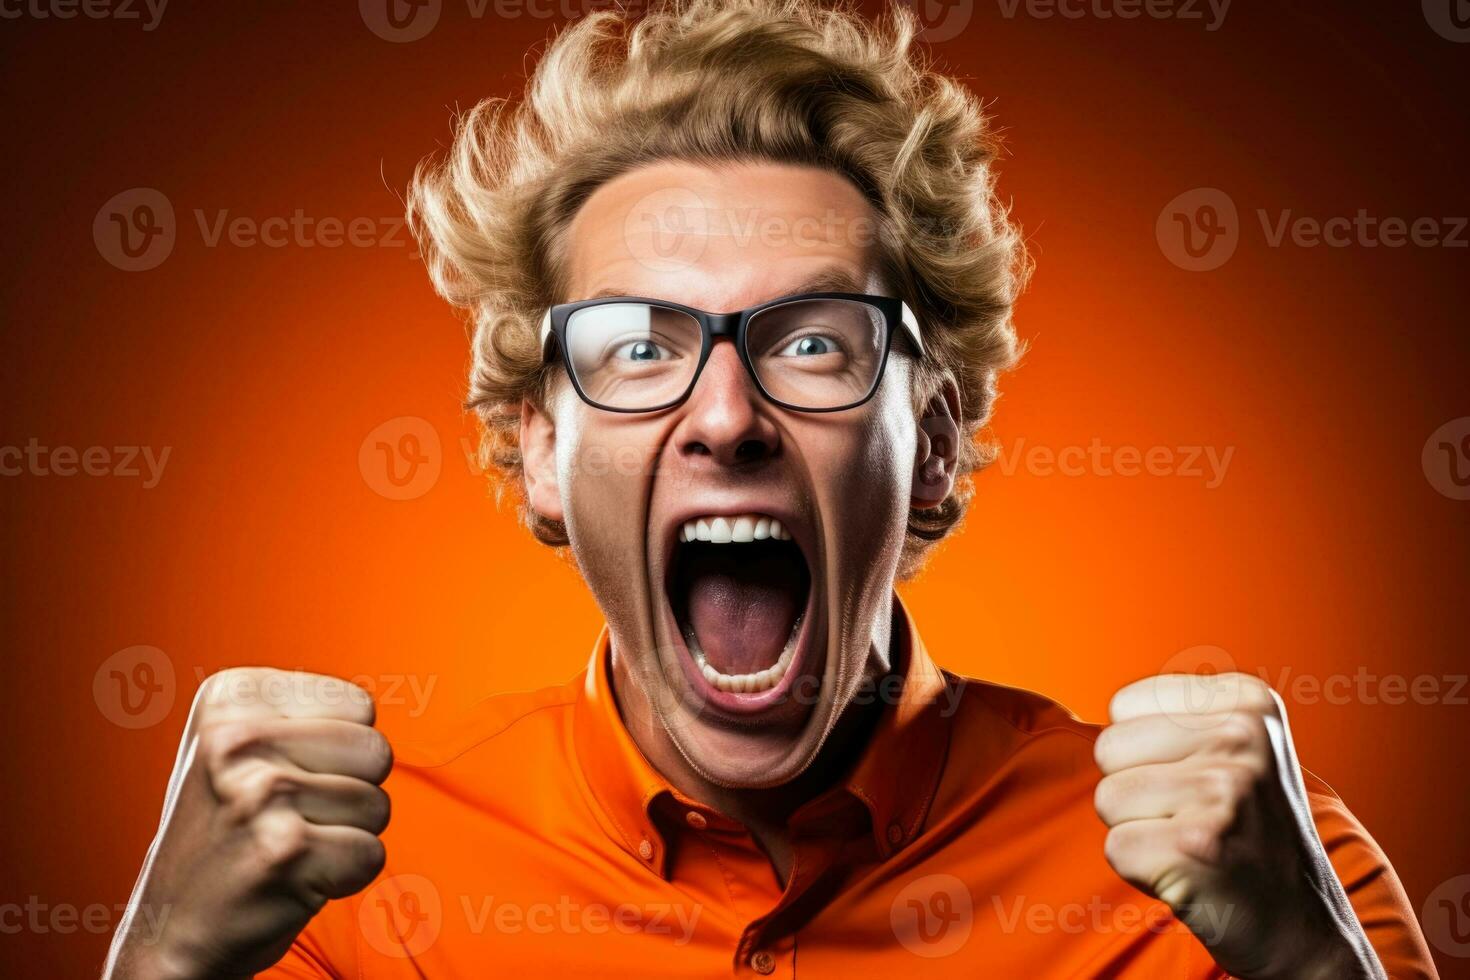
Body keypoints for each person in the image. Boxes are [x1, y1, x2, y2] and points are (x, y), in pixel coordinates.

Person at [104, 1, 1437, 976]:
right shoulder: (338, 895)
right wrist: (162, 962)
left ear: (934, 445)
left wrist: (1311, 967)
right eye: (639, 348)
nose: (727, 417)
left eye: (812, 345)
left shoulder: (1240, 882)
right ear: (541, 454)